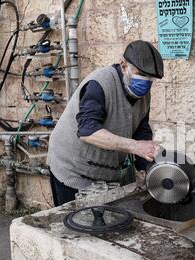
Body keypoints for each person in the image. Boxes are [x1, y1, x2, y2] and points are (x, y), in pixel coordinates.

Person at [47, 40, 163, 206]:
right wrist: (134, 146)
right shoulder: (99, 84)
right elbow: (88, 131)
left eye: (150, 78)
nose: (145, 82)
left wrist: (149, 167)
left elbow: (140, 131)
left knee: (104, 222)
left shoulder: (143, 94)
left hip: (104, 173)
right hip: (72, 168)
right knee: (74, 223)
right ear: (124, 65)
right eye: (141, 75)